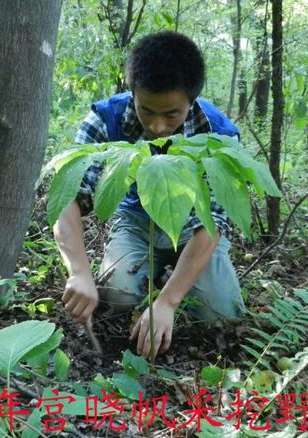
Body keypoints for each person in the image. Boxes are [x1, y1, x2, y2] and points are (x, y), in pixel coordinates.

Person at [53, 31, 245, 359]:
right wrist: (79, 271)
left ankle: (172, 281)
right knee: (115, 296)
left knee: (221, 315)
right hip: (137, 223)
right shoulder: (104, 120)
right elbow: (66, 197)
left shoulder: (219, 136)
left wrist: (168, 302)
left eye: (171, 114)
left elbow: (211, 223)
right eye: (147, 111)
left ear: (191, 100)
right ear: (133, 92)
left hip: (194, 229)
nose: (157, 126)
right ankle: (150, 275)